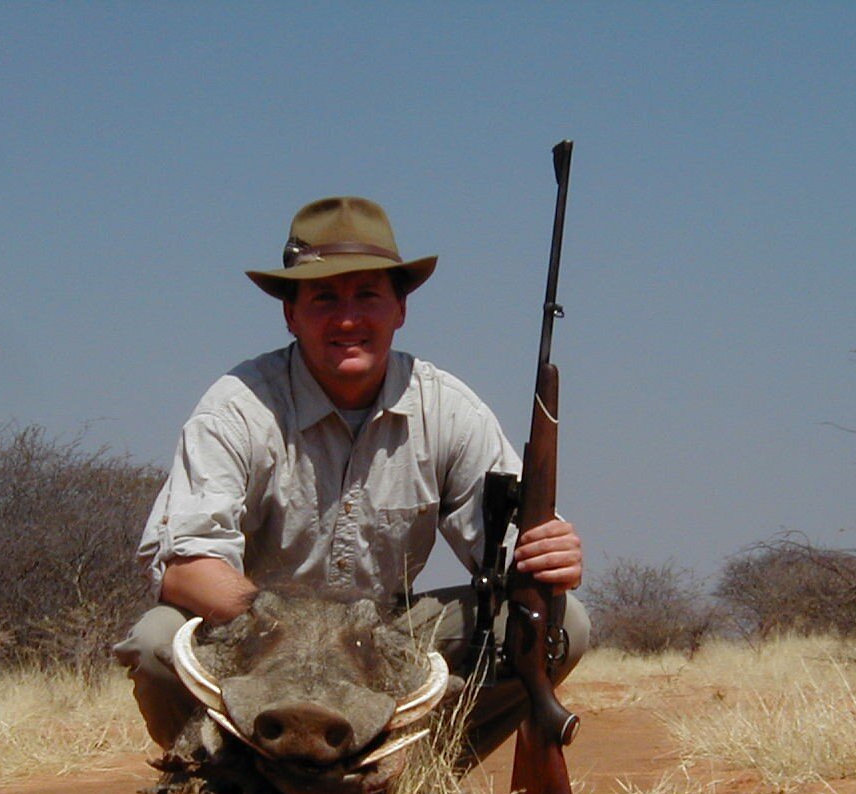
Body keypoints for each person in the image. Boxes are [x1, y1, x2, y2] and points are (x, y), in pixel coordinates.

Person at [114, 196, 590, 764]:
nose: (347, 319)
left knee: (564, 623)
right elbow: (187, 569)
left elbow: (511, 546)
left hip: (380, 635)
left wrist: (548, 551)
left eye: (368, 295)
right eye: (323, 298)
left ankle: (405, 784)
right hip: (254, 632)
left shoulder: (448, 407)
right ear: (290, 314)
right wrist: (294, 635)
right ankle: (221, 791)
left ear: (400, 309)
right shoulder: (236, 408)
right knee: (153, 645)